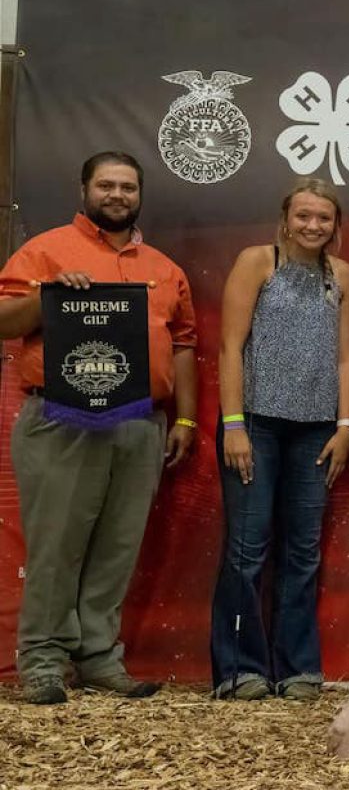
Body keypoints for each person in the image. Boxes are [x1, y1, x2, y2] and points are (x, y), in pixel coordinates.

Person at [0, 152, 198, 705]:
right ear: (83, 188)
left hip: (138, 420)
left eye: (127, 187)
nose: (117, 195)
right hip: (63, 417)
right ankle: (41, 658)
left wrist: (183, 415)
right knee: (56, 544)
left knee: (117, 545)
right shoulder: (44, 250)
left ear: (139, 195)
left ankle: (99, 656)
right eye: (106, 185)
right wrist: (47, 296)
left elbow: (183, 343)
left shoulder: (162, 267)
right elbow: (2, 320)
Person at [209, 179, 349, 701]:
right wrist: (233, 424)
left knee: (303, 552)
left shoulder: (341, 275)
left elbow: (345, 357)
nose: (313, 226)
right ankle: (238, 669)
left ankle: (298, 668)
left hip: (316, 431)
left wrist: (345, 426)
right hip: (256, 424)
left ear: (336, 225)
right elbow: (230, 347)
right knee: (248, 549)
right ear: (285, 218)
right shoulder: (257, 262)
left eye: (323, 218)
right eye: (304, 216)